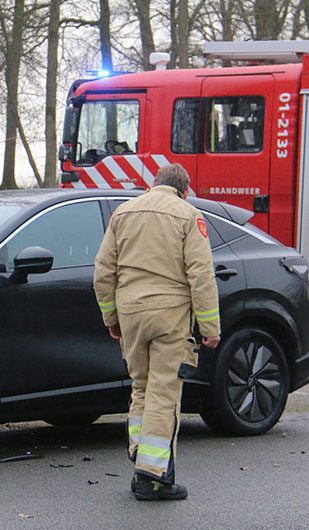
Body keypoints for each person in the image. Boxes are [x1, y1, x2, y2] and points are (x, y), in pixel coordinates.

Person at [93, 163, 221, 501]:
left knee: (141, 387)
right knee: (165, 393)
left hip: (132, 314)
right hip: (170, 317)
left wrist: (112, 319)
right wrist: (210, 328)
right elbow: (201, 274)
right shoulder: (188, 215)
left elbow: (103, 271)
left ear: (153, 184)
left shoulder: (123, 213)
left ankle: (140, 453)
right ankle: (153, 478)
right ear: (186, 189)